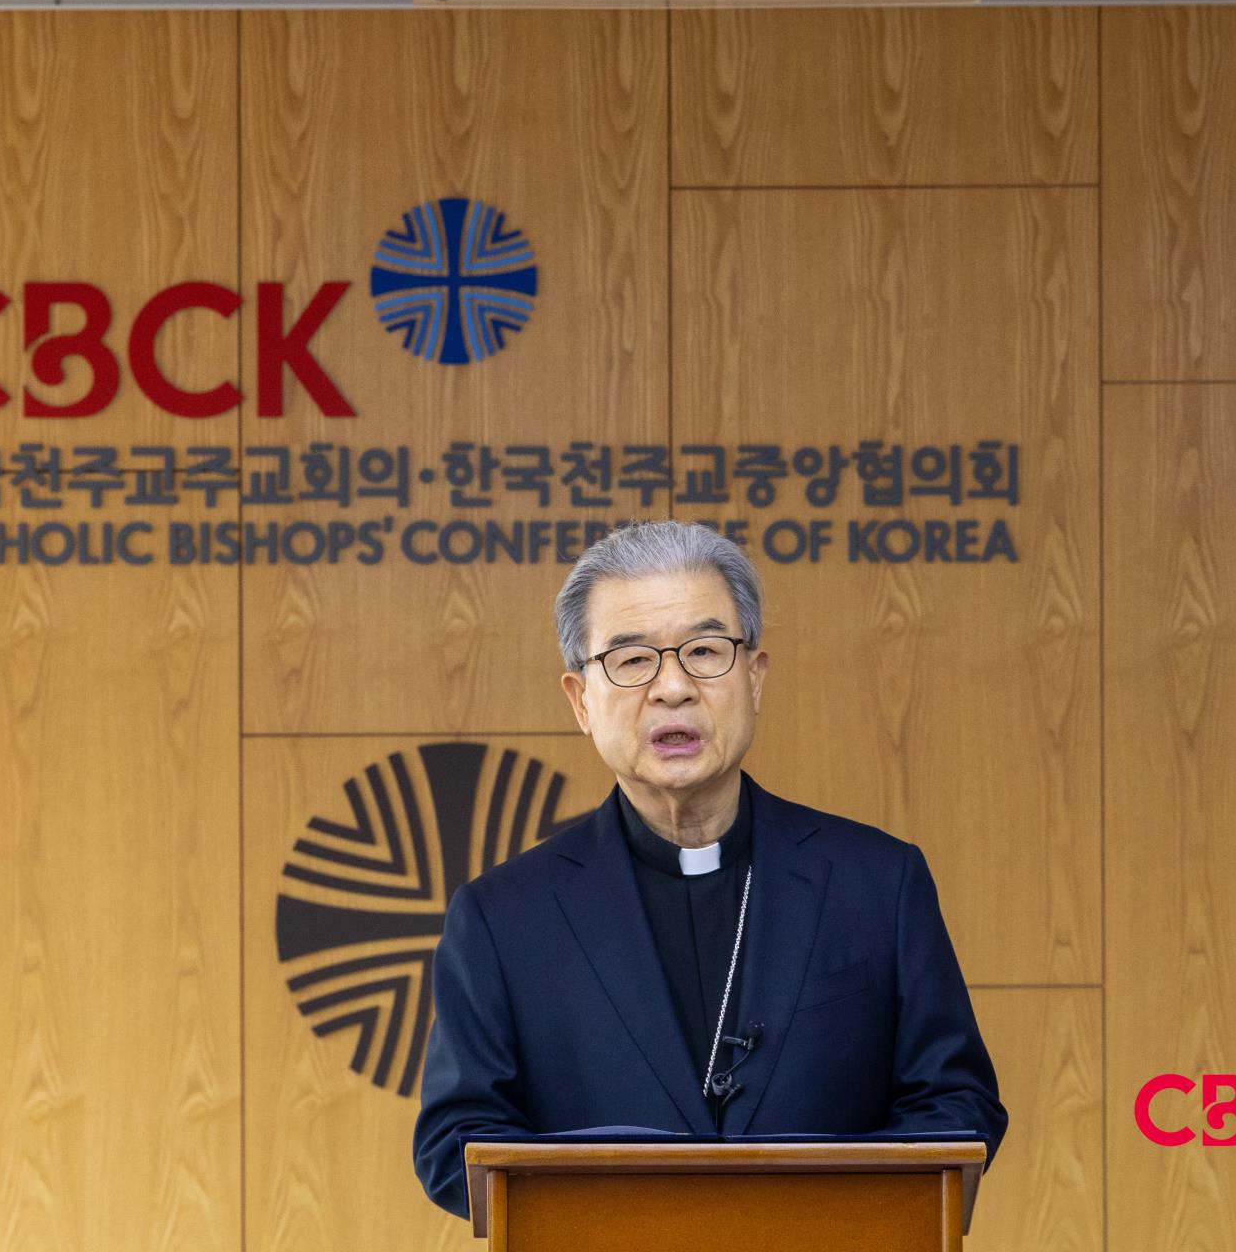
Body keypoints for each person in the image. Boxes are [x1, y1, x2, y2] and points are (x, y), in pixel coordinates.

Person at [412, 519, 1007, 1218]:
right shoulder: (504, 917)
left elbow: (956, 1104)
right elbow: (457, 1142)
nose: (673, 687)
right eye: (632, 659)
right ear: (581, 700)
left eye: (704, 651)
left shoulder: (877, 882)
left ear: (754, 677)